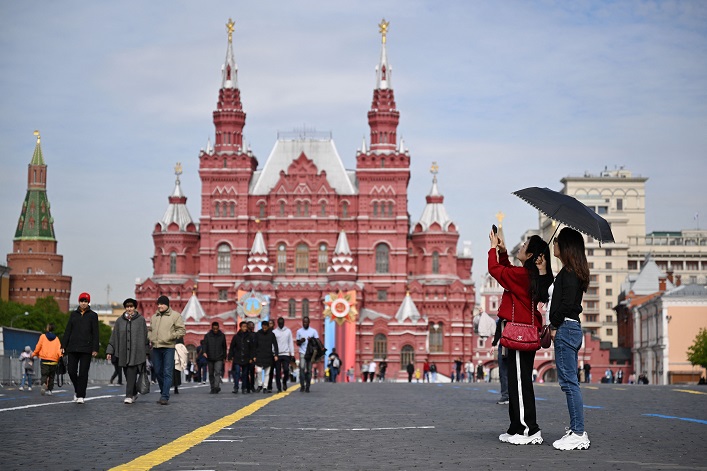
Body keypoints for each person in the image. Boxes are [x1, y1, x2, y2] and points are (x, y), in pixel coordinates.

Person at [489, 231, 552, 445]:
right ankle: (516, 427)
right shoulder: (526, 275)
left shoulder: (524, 275)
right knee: (517, 381)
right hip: (522, 331)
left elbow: (496, 270)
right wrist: (504, 252)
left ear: (532, 254)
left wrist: (492, 249)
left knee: (520, 381)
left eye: (525, 244)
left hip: (519, 332)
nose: (521, 245)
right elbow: (508, 273)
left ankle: (529, 429)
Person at [549, 227, 591, 451]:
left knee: (569, 383)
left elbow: (566, 304)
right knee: (569, 382)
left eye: (557, 242)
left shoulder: (569, 273)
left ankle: (578, 432)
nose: (554, 245)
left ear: (566, 247)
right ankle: (576, 428)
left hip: (566, 329)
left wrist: (553, 324)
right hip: (570, 328)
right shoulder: (570, 271)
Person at [106, 298, 149, 404]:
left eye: (131, 306)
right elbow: (114, 337)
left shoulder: (141, 320)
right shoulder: (119, 321)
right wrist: (109, 351)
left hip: (136, 352)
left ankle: (128, 396)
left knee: (131, 372)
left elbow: (145, 336)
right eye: (127, 307)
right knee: (128, 374)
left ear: (134, 307)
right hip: (123, 352)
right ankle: (134, 393)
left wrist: (146, 352)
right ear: (125, 308)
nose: (129, 309)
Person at [147, 295, 186, 405]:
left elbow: (182, 330)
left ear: (167, 305)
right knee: (158, 371)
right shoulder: (154, 317)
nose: (160, 306)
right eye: (158, 304)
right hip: (156, 347)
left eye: (162, 304)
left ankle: (165, 396)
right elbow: (150, 330)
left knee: (167, 372)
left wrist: (171, 336)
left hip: (169, 347)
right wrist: (151, 337)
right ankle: (164, 391)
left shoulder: (175, 316)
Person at [62, 292, 99, 404]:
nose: (83, 303)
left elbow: (95, 333)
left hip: (86, 349)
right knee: (71, 371)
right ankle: (78, 389)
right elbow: (68, 331)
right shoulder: (73, 314)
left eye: (86, 301)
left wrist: (95, 348)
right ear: (79, 302)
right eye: (82, 301)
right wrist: (63, 346)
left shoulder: (93, 315)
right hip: (73, 348)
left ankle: (81, 395)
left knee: (83, 373)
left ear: (88, 302)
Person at [33, 323, 62, 396]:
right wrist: (60, 356)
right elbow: (59, 349)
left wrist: (34, 354)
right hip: (54, 361)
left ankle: (43, 384)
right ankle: (50, 390)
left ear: (48, 328)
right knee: (51, 376)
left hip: (44, 359)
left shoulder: (43, 336)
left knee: (44, 375)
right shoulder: (56, 338)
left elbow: (38, 346)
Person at [228, 321, 255, 394]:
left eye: (246, 327)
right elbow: (232, 347)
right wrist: (230, 357)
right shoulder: (236, 337)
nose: (245, 328)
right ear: (240, 327)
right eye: (243, 327)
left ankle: (244, 388)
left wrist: (251, 358)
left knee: (245, 374)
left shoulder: (249, 336)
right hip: (237, 357)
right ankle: (236, 387)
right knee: (237, 372)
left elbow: (252, 348)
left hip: (246, 358)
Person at [253, 320, 278, 393]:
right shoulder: (257, 334)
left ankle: (265, 387)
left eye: (265, 327)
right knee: (259, 371)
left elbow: (275, 345)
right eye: (263, 327)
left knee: (267, 373)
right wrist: (254, 355)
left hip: (268, 355)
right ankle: (260, 384)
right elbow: (254, 345)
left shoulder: (271, 334)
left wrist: (276, 354)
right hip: (259, 355)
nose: (264, 329)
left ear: (268, 327)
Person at [203, 321, 227, 394]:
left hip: (219, 357)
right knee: (211, 373)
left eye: (216, 329)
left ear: (218, 328)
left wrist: (224, 356)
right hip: (210, 357)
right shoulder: (207, 336)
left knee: (217, 372)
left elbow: (224, 347)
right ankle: (212, 387)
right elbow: (205, 345)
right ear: (212, 328)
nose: (215, 330)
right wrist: (204, 352)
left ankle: (216, 387)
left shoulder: (222, 336)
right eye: (214, 329)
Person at [295, 316, 319, 392]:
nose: (305, 323)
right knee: (302, 369)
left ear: (309, 322)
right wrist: (301, 341)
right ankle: (302, 385)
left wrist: (311, 340)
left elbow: (317, 342)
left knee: (309, 370)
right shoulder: (299, 331)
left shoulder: (313, 331)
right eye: (303, 322)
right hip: (302, 352)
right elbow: (297, 343)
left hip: (310, 353)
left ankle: (307, 386)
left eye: (306, 322)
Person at [273, 317, 295, 392]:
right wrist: (273, 353)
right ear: (277, 323)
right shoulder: (274, 332)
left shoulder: (288, 331)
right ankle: (279, 388)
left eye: (282, 322)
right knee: (278, 372)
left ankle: (284, 381)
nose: (281, 324)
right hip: (277, 354)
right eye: (279, 323)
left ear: (284, 322)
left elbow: (290, 342)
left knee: (286, 370)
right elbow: (273, 344)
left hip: (286, 354)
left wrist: (292, 353)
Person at [492, 317, 510, 404]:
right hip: (517, 343)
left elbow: (498, 330)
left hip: (505, 346)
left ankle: (505, 396)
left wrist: (494, 344)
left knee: (504, 372)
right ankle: (510, 396)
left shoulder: (503, 316)